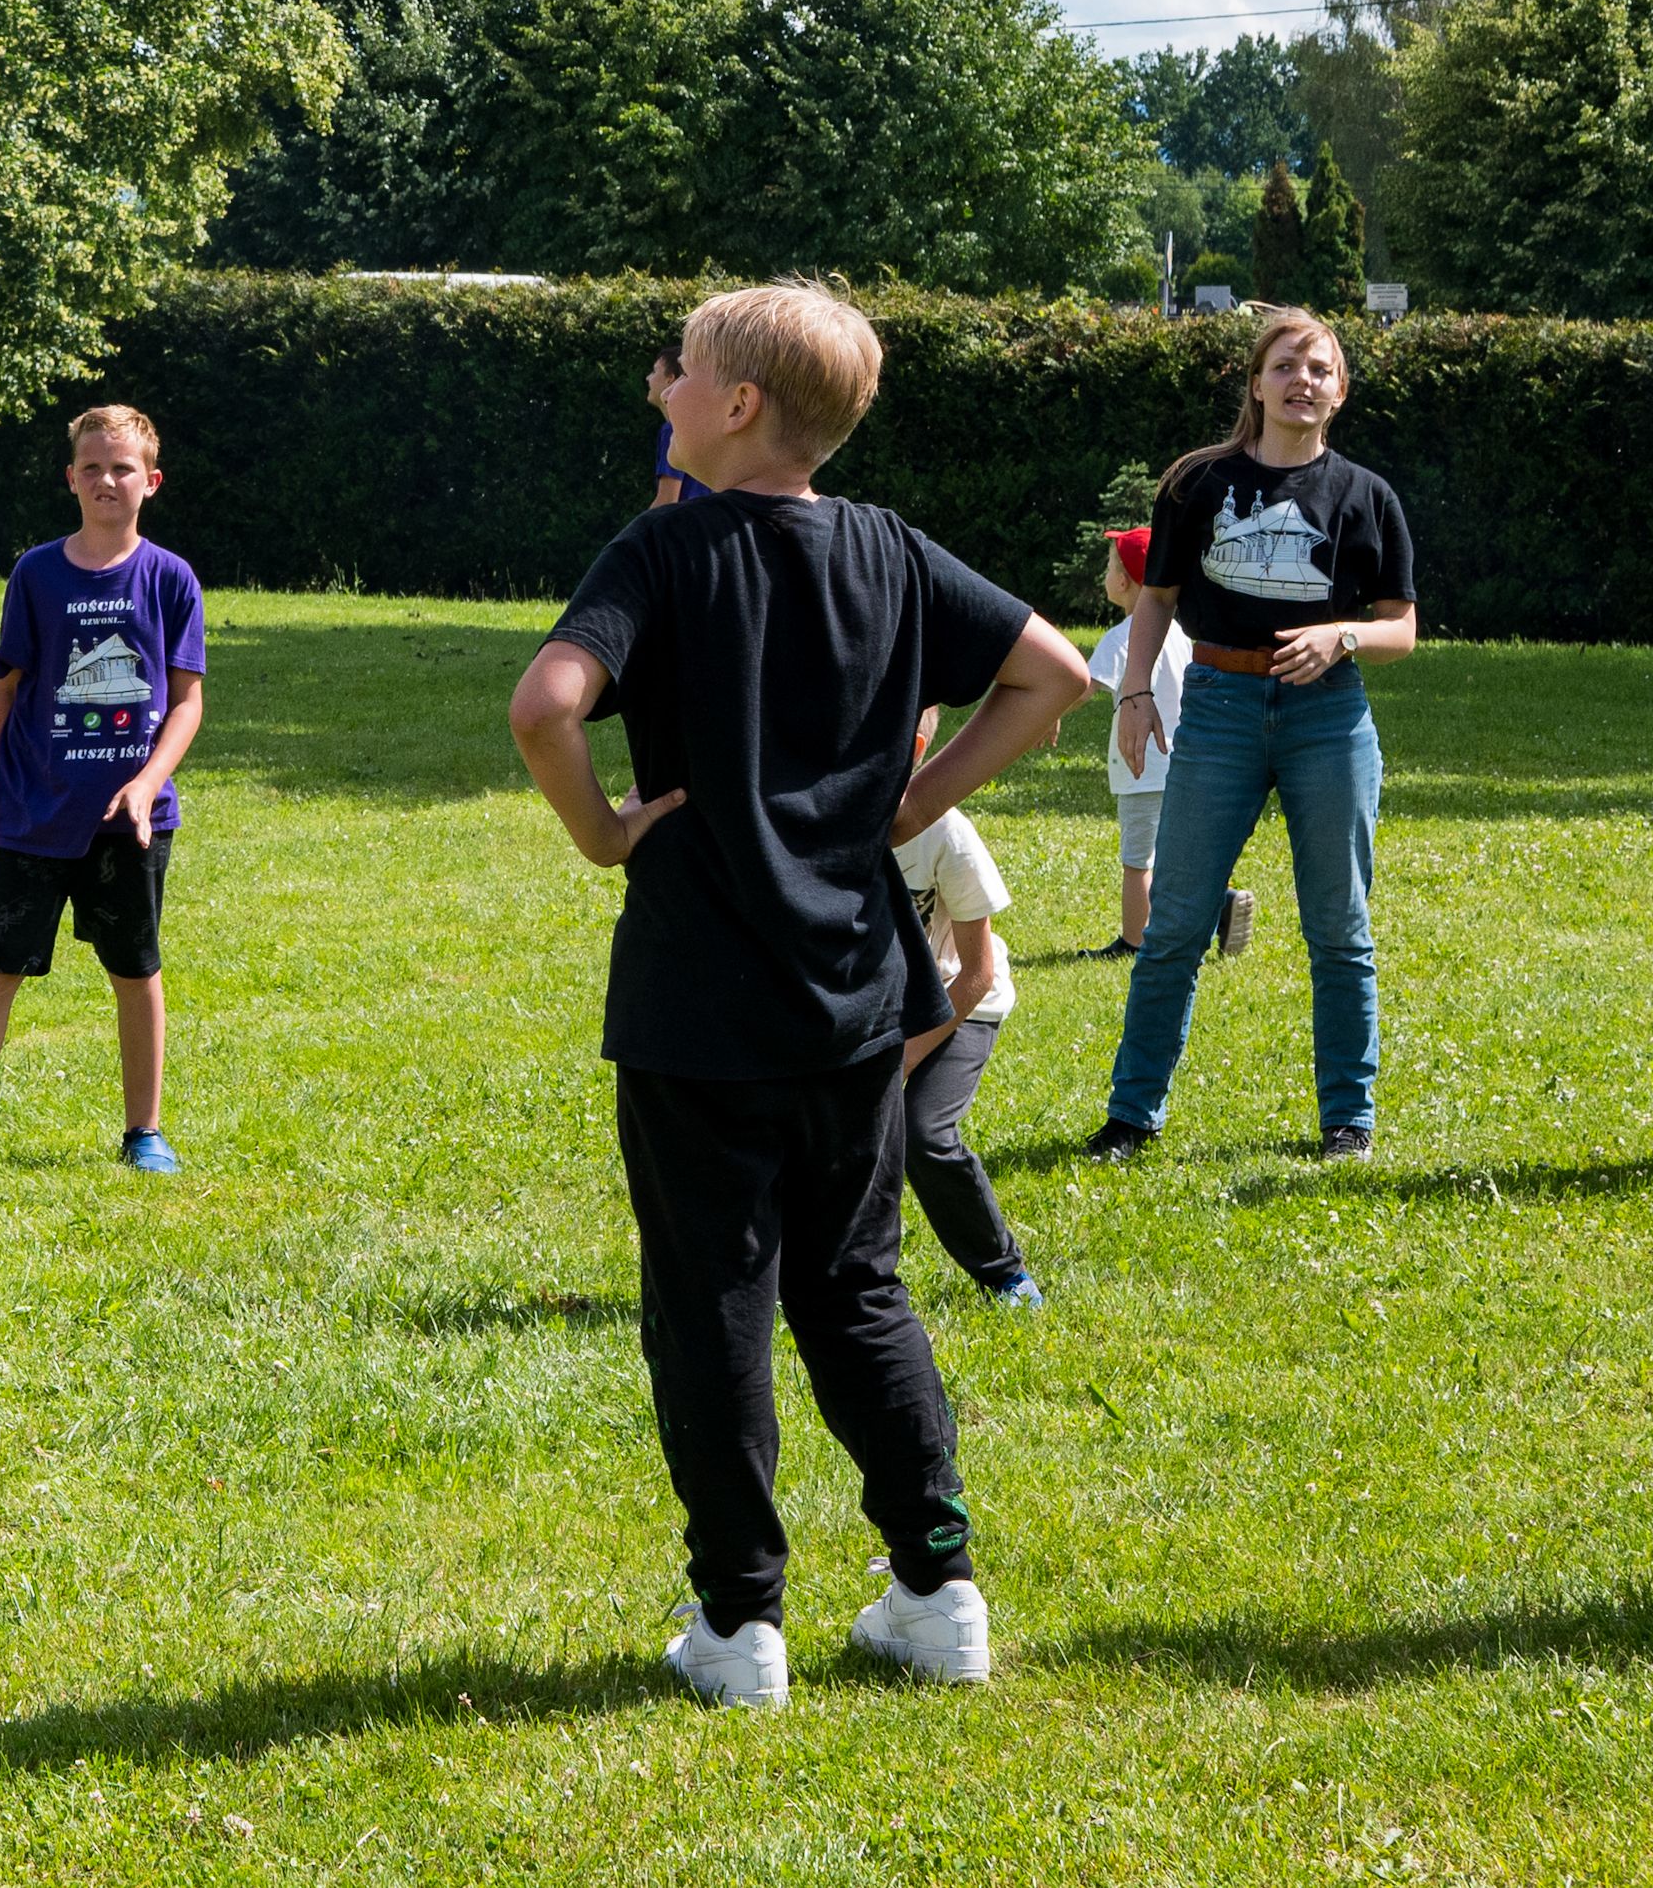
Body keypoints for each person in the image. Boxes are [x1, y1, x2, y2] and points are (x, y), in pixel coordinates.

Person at [508, 282, 1086, 1708]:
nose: (665, 387)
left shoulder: (666, 546)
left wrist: (598, 831)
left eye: (683, 369)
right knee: (858, 1283)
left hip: (699, 1003)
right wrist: (909, 805)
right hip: (856, 997)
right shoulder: (888, 546)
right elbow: (1054, 669)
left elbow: (544, 702)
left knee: (713, 1297)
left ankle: (738, 1624)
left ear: (741, 401)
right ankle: (939, 1592)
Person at [1091, 306, 1417, 1167]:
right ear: (1256, 382)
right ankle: (1132, 1116)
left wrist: (1341, 635)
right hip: (1219, 706)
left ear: (1338, 391)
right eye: (1285, 366)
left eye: (1318, 369)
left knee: (1340, 927)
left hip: (1328, 716)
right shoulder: (1197, 484)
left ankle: (1348, 1121)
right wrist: (1133, 692)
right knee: (1175, 925)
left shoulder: (1366, 496)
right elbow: (1155, 595)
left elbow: (1403, 626)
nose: (1301, 381)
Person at [0, 403, 207, 1185]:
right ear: (70, 477)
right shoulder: (36, 573)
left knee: (135, 967)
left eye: (122, 467)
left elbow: (187, 698)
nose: (106, 479)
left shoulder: (170, 579)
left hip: (129, 824)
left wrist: (145, 783)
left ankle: (145, 1131)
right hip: (33, 816)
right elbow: (5, 693)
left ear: (152, 482)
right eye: (91, 466)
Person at [891, 713, 1039, 1310]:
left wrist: (905, 1058)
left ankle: (1005, 1273)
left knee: (921, 1133)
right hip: (874, 1009)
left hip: (960, 1000)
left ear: (917, 748)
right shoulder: (825, 820)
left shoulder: (946, 834)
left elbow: (977, 974)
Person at [1083, 528, 1242, 965]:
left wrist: (1045, 710)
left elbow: (1082, 687)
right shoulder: (1178, 634)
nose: (1107, 572)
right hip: (1184, 760)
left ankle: (1134, 941)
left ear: (1125, 581)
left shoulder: (1122, 638)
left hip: (1141, 766)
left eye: (1111, 565)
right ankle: (1220, 902)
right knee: (1179, 854)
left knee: (1138, 859)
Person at [646, 345, 713, 511]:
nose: (648, 378)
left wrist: (634, 534)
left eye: (654, 372)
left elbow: (667, 501)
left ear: (670, 379)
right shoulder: (702, 426)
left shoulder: (673, 429)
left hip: (685, 530)